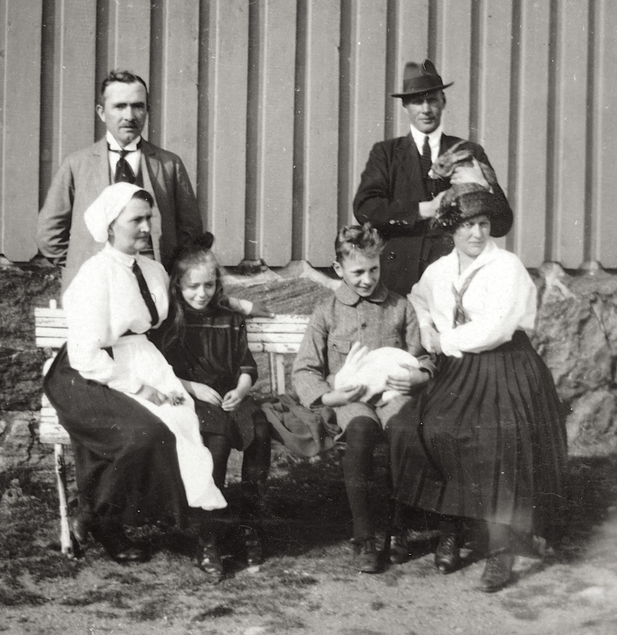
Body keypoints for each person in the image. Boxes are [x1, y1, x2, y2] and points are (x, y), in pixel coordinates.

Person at [387, 186, 568, 593]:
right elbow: (417, 299)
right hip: (456, 369)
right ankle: (450, 526)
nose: (477, 233)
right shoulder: (440, 270)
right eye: (467, 225)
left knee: (498, 435)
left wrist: (445, 340)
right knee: (431, 429)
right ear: (451, 229)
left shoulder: (506, 267)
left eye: (483, 224)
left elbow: (497, 328)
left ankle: (502, 545)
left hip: (505, 365)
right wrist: (427, 328)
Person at [42, 183, 226, 568]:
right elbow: (86, 354)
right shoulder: (95, 275)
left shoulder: (154, 270)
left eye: (149, 218)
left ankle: (191, 520)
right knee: (143, 433)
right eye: (136, 220)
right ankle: (103, 520)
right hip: (86, 374)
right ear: (110, 225)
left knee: (182, 421)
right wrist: (141, 388)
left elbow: (187, 306)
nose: (146, 227)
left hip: (140, 360)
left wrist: (175, 381)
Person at [291, 223, 435, 573]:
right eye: (358, 272)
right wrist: (329, 396)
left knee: (404, 431)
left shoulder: (400, 307)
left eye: (374, 269)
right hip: (350, 398)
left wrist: (420, 375)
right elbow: (305, 369)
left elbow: (422, 357)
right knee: (359, 432)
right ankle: (364, 534)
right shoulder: (327, 312)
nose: (367, 279)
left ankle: (398, 527)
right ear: (338, 269)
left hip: (393, 393)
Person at [154, 233, 273, 570]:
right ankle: (207, 536)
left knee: (259, 430)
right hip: (193, 398)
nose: (201, 293)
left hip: (229, 395)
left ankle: (249, 522)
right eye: (193, 286)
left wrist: (242, 389)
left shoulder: (229, 318)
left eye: (208, 285)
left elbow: (246, 364)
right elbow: (159, 370)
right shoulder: (173, 320)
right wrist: (193, 387)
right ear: (178, 285)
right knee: (215, 443)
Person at [352, 59, 513, 297]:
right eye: (417, 101)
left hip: (452, 278)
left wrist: (483, 185)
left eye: (432, 100)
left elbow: (502, 225)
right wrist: (424, 209)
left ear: (443, 101)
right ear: (405, 106)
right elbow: (365, 209)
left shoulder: (469, 152)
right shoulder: (385, 153)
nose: (426, 109)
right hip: (397, 279)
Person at [36, 70, 204, 293]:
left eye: (138, 106)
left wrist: (165, 270)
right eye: (119, 106)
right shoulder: (76, 164)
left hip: (152, 286)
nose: (129, 116)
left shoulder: (169, 165)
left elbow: (191, 231)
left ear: (147, 110)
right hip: (94, 287)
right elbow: (49, 234)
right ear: (102, 112)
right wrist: (82, 262)